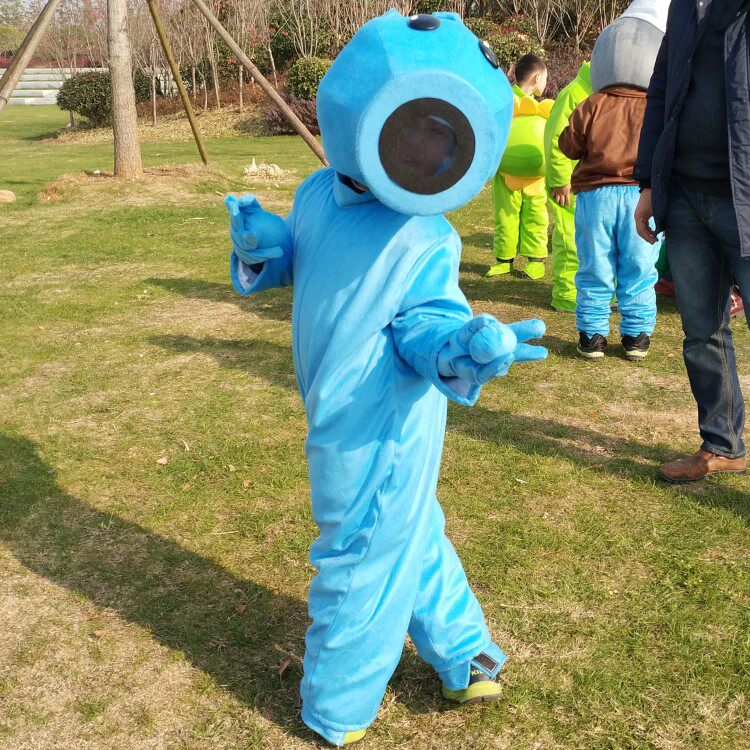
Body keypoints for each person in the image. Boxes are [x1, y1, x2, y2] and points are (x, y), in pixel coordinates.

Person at [227, 11, 548, 746]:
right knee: (404, 527)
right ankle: (466, 651)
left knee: (360, 552)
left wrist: (462, 347)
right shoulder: (318, 192)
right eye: (415, 131)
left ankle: (336, 709)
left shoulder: (422, 235)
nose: (424, 152)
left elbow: (425, 324)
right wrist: (264, 243)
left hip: (381, 426)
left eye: (442, 138)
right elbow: (302, 257)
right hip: (333, 404)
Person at [634, 0, 750, 482]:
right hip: (684, 195)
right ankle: (722, 445)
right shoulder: (684, 7)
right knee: (702, 332)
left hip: (745, 198)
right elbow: (661, 90)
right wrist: (648, 185)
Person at [559, 0, 666, 361]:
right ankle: (636, 335)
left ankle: (592, 335)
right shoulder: (655, 106)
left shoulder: (593, 104)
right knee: (640, 266)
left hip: (596, 195)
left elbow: (568, 145)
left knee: (595, 264)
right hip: (642, 194)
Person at [488, 54, 552, 280]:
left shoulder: (539, 108)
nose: (546, 84)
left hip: (535, 177)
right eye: (545, 78)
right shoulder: (505, 102)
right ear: (537, 78)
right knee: (506, 214)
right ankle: (503, 259)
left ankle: (535, 261)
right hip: (506, 173)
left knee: (536, 214)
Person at [544, 60, 592, 312]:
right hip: (570, 184)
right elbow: (555, 139)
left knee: (593, 239)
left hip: (590, 181)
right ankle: (567, 294)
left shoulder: (598, 91)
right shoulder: (574, 94)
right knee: (569, 238)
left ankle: (591, 290)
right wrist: (560, 180)